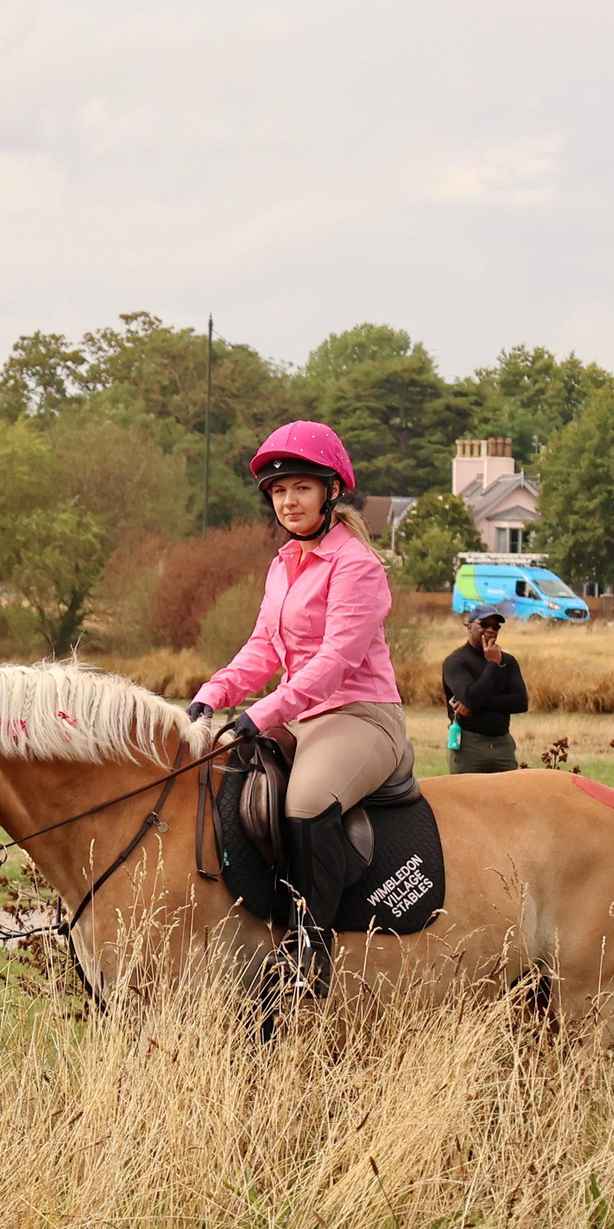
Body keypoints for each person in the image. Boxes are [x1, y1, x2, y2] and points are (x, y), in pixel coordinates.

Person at [185, 421, 410, 1012]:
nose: (289, 501)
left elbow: (336, 662)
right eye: (279, 492)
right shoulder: (283, 563)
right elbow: (263, 647)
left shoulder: (357, 565)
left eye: (302, 488)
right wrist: (212, 694)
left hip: (360, 714)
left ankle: (310, 945)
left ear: (332, 491)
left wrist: (263, 712)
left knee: (305, 801)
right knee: (222, 779)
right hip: (300, 712)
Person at [442, 607, 527, 774]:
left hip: (502, 743)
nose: (490, 630)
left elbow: (520, 702)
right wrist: (493, 664)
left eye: (495, 627)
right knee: (467, 797)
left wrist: (474, 705)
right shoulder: (456, 661)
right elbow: (471, 696)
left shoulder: (508, 661)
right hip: (470, 744)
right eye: (485, 624)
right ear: (469, 627)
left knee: (508, 797)